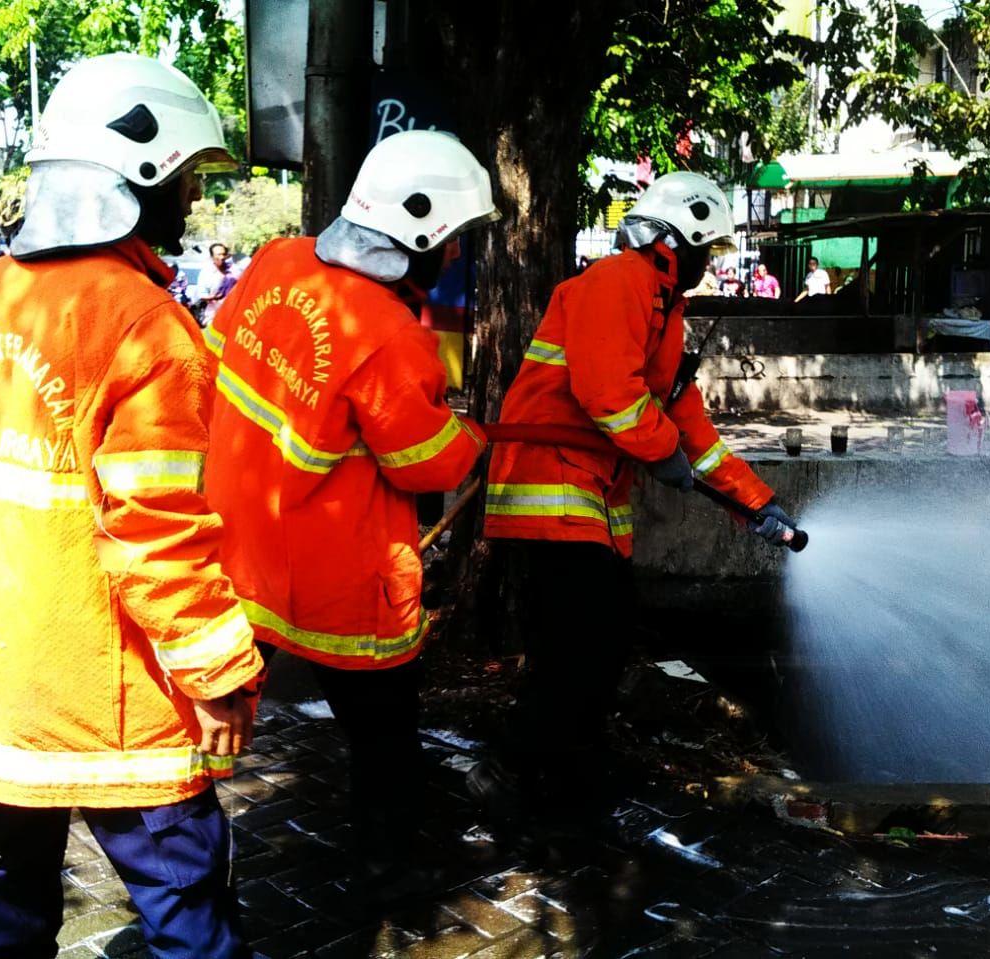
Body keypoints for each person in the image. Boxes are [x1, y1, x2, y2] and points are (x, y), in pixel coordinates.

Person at [0, 53, 265, 959]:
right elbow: (156, 532)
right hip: (116, 713)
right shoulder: (146, 323)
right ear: (137, 177)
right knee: (189, 918)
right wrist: (221, 670)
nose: (191, 203)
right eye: (184, 181)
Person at [202, 130, 496, 900]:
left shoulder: (277, 261)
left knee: (210, 716)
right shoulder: (393, 334)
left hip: (235, 553)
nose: (458, 256)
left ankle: (179, 858)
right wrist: (473, 437)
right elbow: (424, 459)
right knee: (385, 735)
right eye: (455, 240)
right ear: (423, 235)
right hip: (336, 579)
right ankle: (383, 870)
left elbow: (220, 357)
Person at [469, 171, 795, 829]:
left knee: (599, 642)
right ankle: (512, 766)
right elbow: (608, 395)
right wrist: (659, 446)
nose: (710, 264)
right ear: (674, 242)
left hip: (580, 491)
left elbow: (692, 433)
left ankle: (568, 769)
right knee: (582, 644)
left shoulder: (663, 311)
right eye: (707, 249)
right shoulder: (620, 282)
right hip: (549, 485)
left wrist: (756, 503)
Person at [197, 241, 235, 325]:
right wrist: (213, 297)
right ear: (212, 257)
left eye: (224, 254)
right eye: (218, 254)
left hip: (233, 315)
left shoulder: (234, 271)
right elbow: (201, 294)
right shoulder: (206, 273)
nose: (222, 257)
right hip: (213, 316)